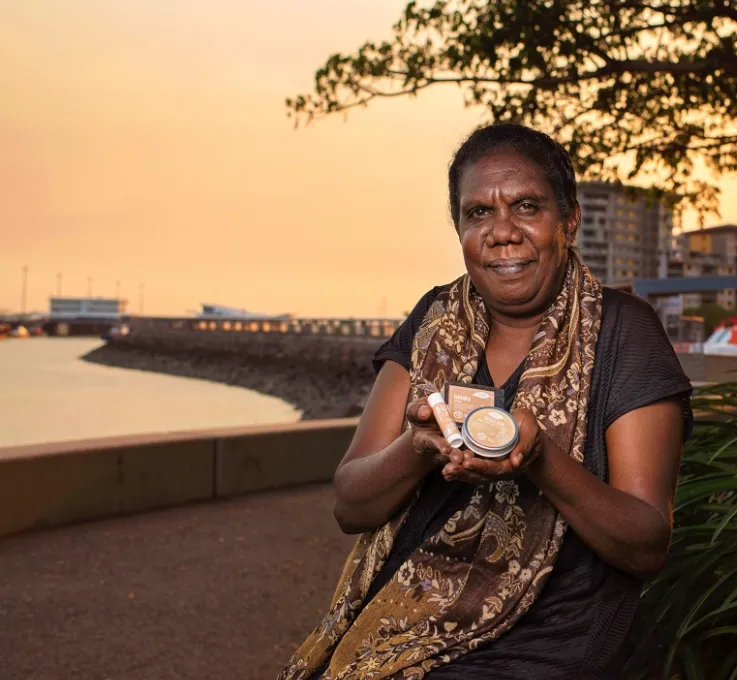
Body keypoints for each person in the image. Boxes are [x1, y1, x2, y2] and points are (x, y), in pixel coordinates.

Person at [279, 123, 692, 680]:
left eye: (526, 207)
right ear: (459, 228)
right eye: (478, 213)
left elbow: (646, 546)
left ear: (567, 220)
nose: (502, 232)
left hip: (550, 642)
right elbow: (350, 505)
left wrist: (541, 458)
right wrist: (418, 446)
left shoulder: (624, 331)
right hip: (404, 628)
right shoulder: (432, 321)